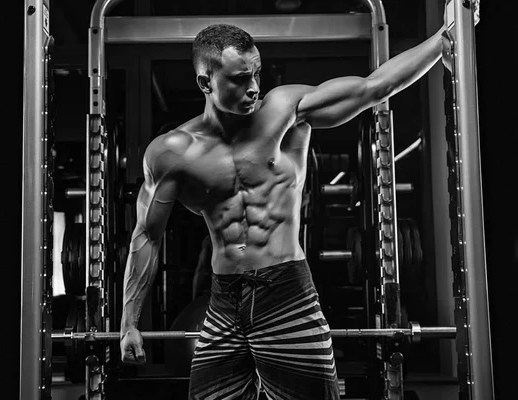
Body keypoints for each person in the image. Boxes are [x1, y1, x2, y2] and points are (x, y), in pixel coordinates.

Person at [120, 20, 451, 400]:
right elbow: (147, 234)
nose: (254, 87)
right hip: (224, 300)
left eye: (257, 73)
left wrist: (444, 39)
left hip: (286, 292)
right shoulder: (172, 151)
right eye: (241, 79)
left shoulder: (284, 111)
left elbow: (374, 87)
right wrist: (129, 322)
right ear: (205, 83)